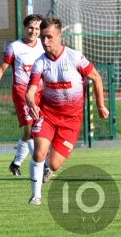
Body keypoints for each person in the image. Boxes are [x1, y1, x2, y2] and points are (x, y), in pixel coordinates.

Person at [25, 17, 109, 205]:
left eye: (49, 37)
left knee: (54, 163)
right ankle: (35, 196)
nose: (45, 42)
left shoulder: (74, 57)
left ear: (59, 36)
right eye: (42, 38)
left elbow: (96, 78)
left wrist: (100, 105)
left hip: (71, 120)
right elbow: (30, 91)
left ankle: (48, 166)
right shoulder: (40, 62)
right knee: (38, 153)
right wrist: (31, 103)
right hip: (47, 114)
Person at [0, 14, 44, 176]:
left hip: (41, 92)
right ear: (24, 28)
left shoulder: (44, 45)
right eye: (30, 27)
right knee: (32, 130)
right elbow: (1, 70)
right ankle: (43, 165)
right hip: (22, 93)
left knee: (29, 132)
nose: (33, 31)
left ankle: (15, 164)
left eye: (37, 28)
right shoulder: (14, 47)